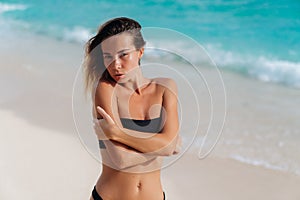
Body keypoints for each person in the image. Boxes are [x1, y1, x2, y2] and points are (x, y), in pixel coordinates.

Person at [83, 17, 181, 200]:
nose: (116, 65)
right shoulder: (105, 89)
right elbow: (121, 159)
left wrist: (118, 133)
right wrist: (161, 146)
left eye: (123, 55)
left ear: (140, 52)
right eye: (108, 56)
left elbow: (168, 146)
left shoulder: (165, 88)